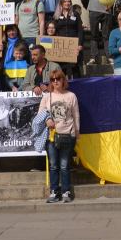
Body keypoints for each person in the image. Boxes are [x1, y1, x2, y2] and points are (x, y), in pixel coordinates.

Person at [39, 69, 80, 203]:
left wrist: (76, 134)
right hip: (51, 136)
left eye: (58, 79)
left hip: (68, 134)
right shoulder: (47, 97)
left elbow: (76, 115)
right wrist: (47, 120)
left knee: (64, 165)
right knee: (53, 165)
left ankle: (66, 191)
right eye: (52, 79)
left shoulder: (71, 96)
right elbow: (40, 115)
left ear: (63, 80)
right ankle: (54, 192)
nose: (55, 81)